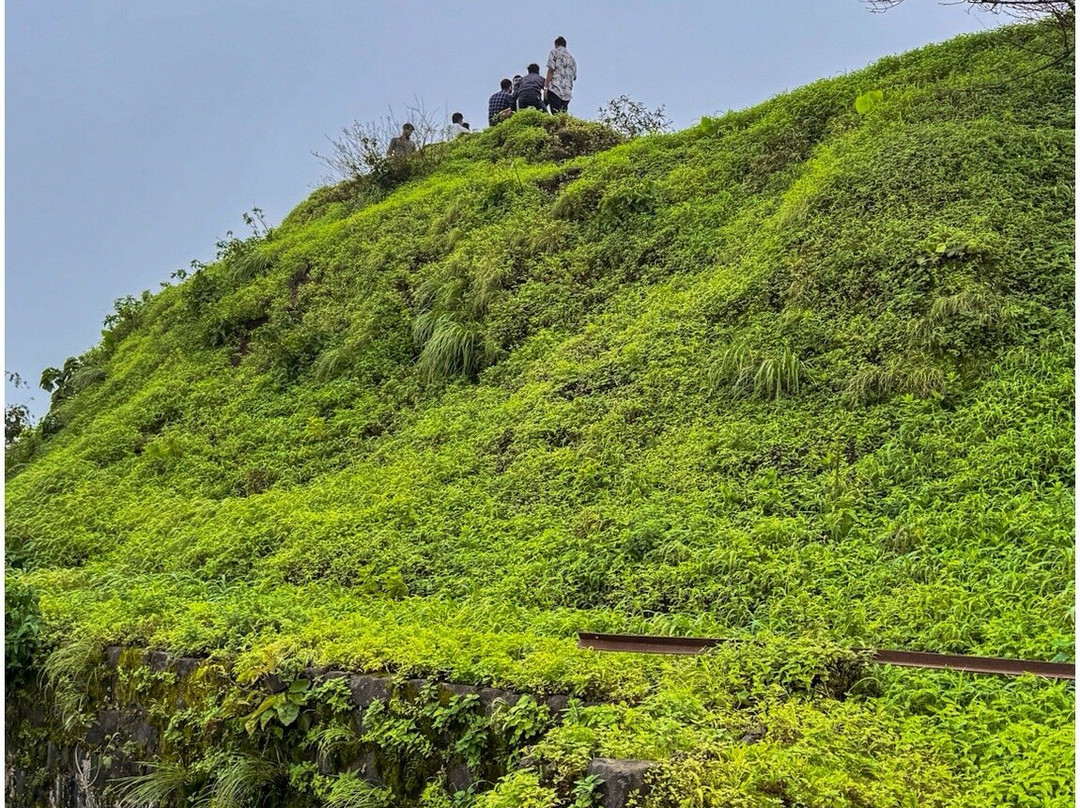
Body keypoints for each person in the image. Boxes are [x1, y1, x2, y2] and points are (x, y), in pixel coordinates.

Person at [545, 36, 577, 113]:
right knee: (563, 115)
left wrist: (546, 86)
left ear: (556, 45)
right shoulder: (572, 59)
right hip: (567, 92)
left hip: (555, 88)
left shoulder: (554, 52)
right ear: (565, 45)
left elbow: (551, 70)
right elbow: (574, 77)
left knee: (555, 113)